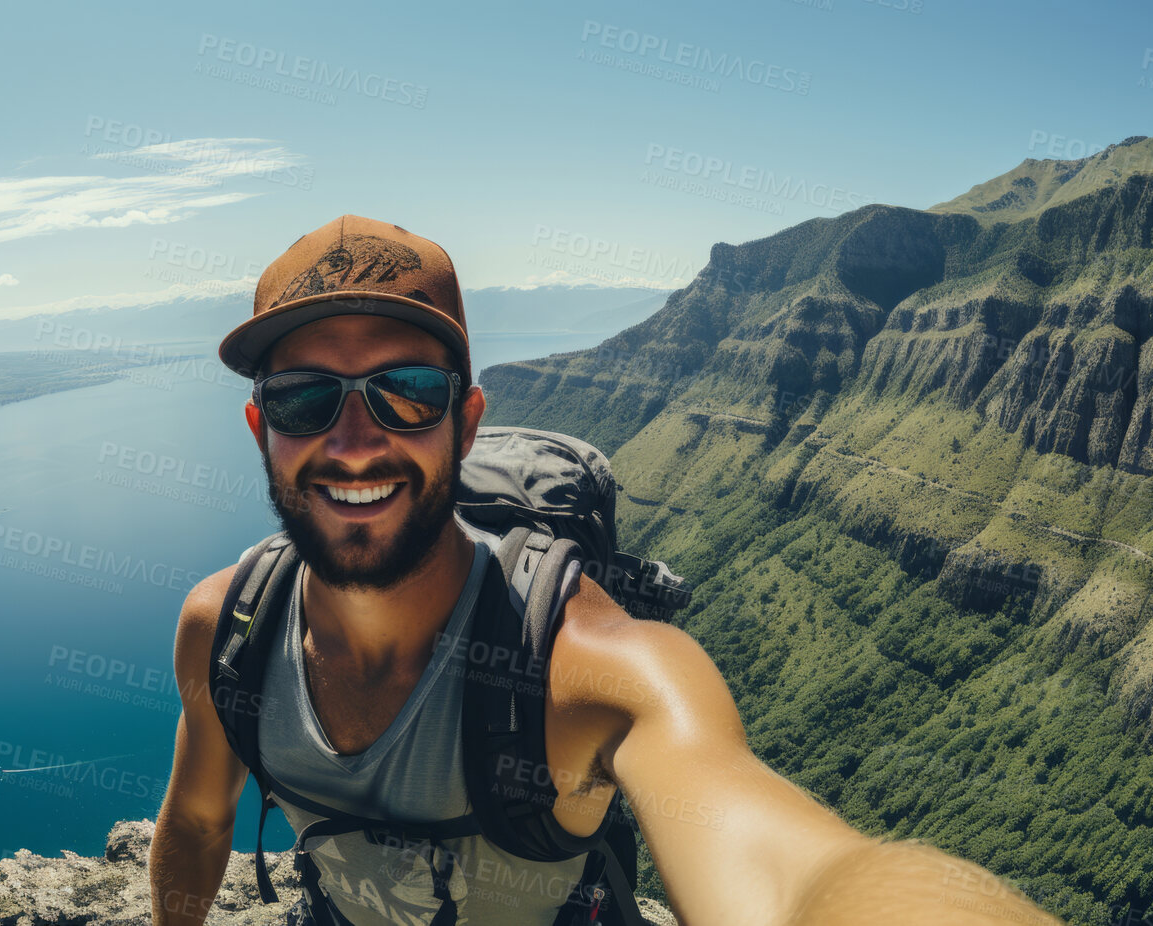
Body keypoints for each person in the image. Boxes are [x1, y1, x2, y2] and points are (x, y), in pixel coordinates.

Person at [150, 215, 1057, 926]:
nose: (354, 444)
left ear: (464, 425)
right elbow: (195, 822)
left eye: (406, 393)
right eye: (304, 398)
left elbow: (796, 878)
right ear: (261, 431)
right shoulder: (228, 630)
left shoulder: (588, 668)